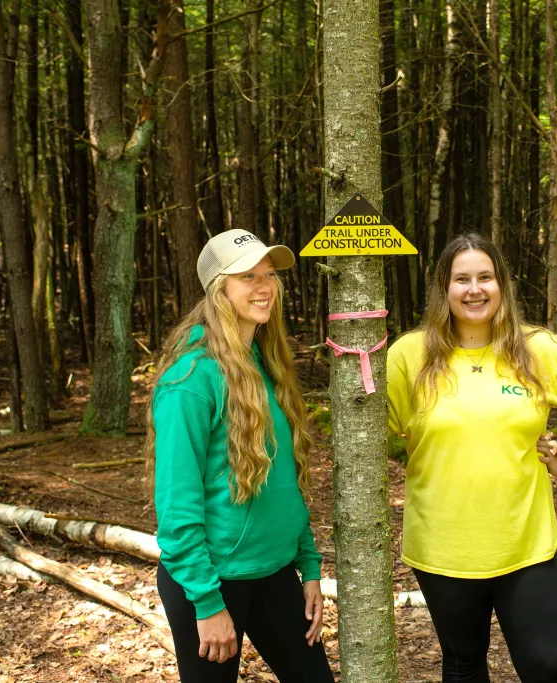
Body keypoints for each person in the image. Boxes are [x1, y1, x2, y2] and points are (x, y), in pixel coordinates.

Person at [387, 233, 557, 683]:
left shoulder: (540, 349)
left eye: (485, 277)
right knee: (464, 665)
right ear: (444, 289)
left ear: (502, 285)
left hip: (525, 541)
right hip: (444, 544)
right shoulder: (409, 355)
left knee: (545, 666)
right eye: (461, 279)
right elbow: (383, 433)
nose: (474, 289)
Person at [146, 229, 334, 683]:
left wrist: (308, 565)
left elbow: (283, 484)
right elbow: (176, 505)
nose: (264, 286)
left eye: (269, 274)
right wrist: (208, 604)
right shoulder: (190, 377)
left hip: (273, 571)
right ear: (218, 289)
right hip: (211, 579)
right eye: (247, 275)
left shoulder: (265, 363)